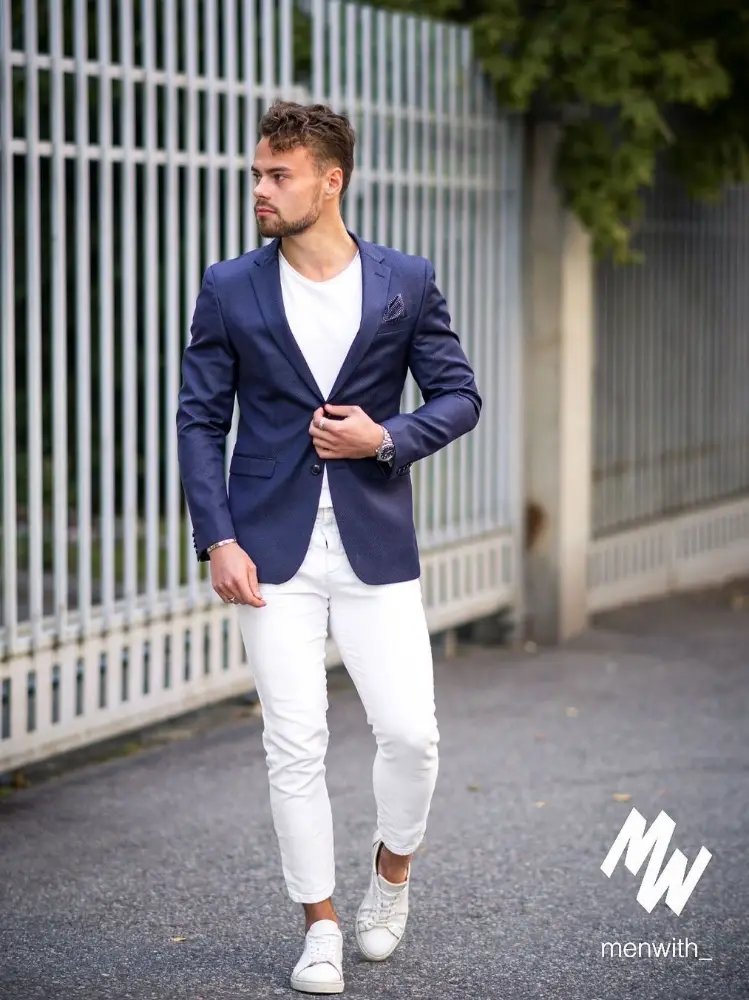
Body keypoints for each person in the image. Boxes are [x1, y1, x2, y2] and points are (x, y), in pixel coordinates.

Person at [176, 100, 482, 994]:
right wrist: (216, 537)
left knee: (412, 735)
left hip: (373, 545)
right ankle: (318, 925)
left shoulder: (404, 281)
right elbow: (201, 419)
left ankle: (391, 879)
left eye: (279, 174)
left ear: (329, 179)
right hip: (268, 549)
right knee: (294, 744)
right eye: (258, 174)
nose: (261, 190)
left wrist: (382, 438)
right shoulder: (229, 286)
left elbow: (458, 395)